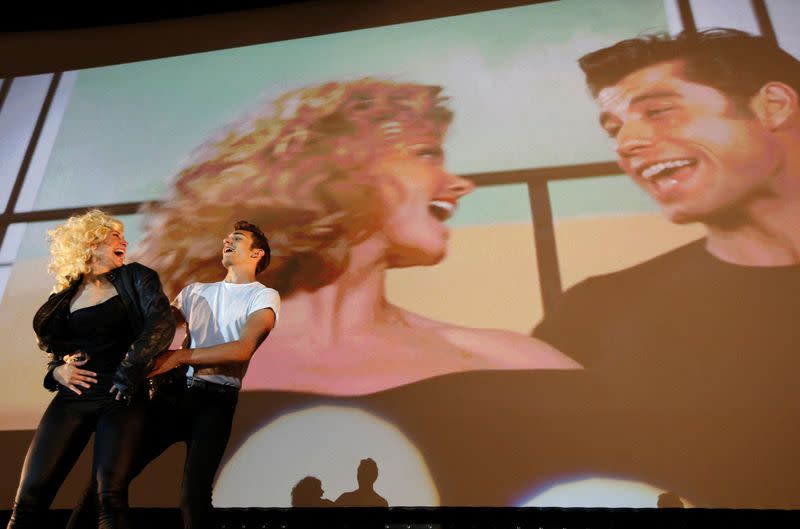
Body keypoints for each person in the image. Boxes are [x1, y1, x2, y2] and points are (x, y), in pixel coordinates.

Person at [134, 78, 579, 397]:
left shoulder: (516, 363)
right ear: (339, 163)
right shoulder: (163, 360)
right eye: (426, 153)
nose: (461, 184)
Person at [535, 28, 800, 399]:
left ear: (774, 105)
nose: (626, 145)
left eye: (658, 112)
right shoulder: (594, 314)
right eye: (615, 130)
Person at [72, 220, 281, 529]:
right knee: (109, 479)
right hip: (173, 395)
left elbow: (243, 348)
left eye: (236, 238)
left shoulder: (263, 296)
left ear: (257, 253)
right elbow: (154, 329)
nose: (227, 239)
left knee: (193, 499)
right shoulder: (195, 291)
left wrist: (182, 356)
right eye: (227, 236)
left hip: (215, 403)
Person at [7, 209, 175, 529]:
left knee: (108, 498)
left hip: (120, 396)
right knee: (28, 498)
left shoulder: (136, 277)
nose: (124, 241)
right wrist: (57, 371)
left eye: (123, 236)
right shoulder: (67, 293)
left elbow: (160, 326)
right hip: (72, 398)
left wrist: (127, 372)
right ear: (90, 242)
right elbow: (54, 345)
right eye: (115, 235)